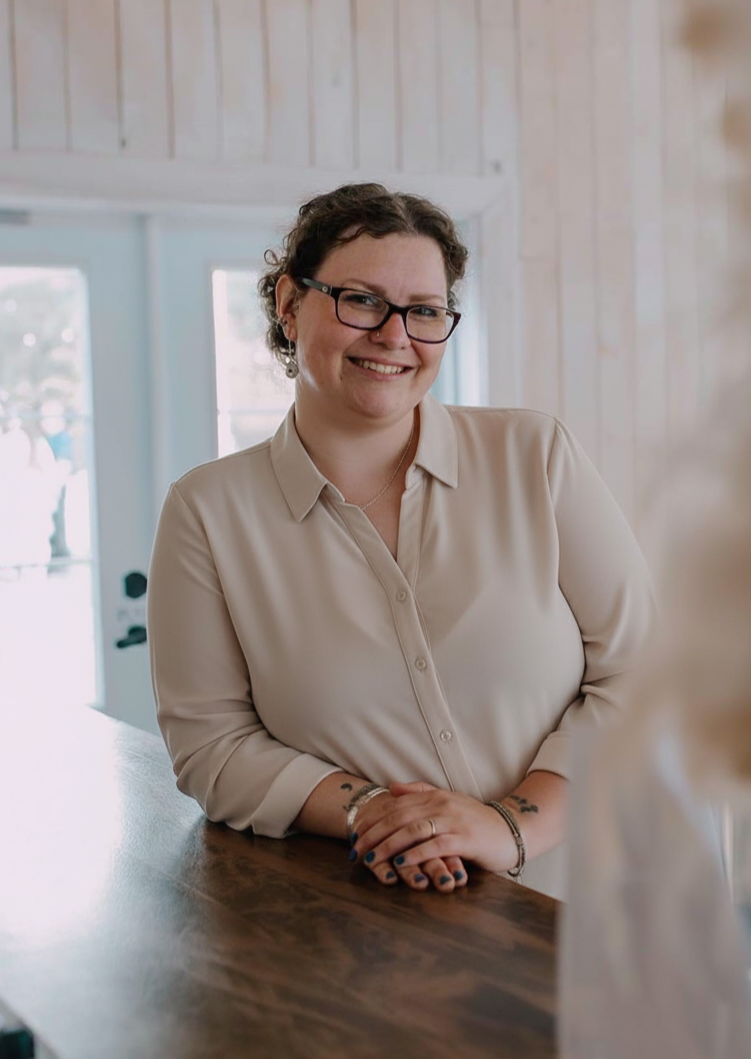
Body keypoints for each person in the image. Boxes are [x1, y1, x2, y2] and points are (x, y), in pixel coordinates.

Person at [148, 182, 654, 899]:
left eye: (424, 311)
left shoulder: (533, 455)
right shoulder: (207, 512)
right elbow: (212, 745)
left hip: (605, 909)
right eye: (361, 300)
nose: (395, 336)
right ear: (290, 305)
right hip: (391, 939)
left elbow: (644, 672)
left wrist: (510, 826)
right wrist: (372, 810)